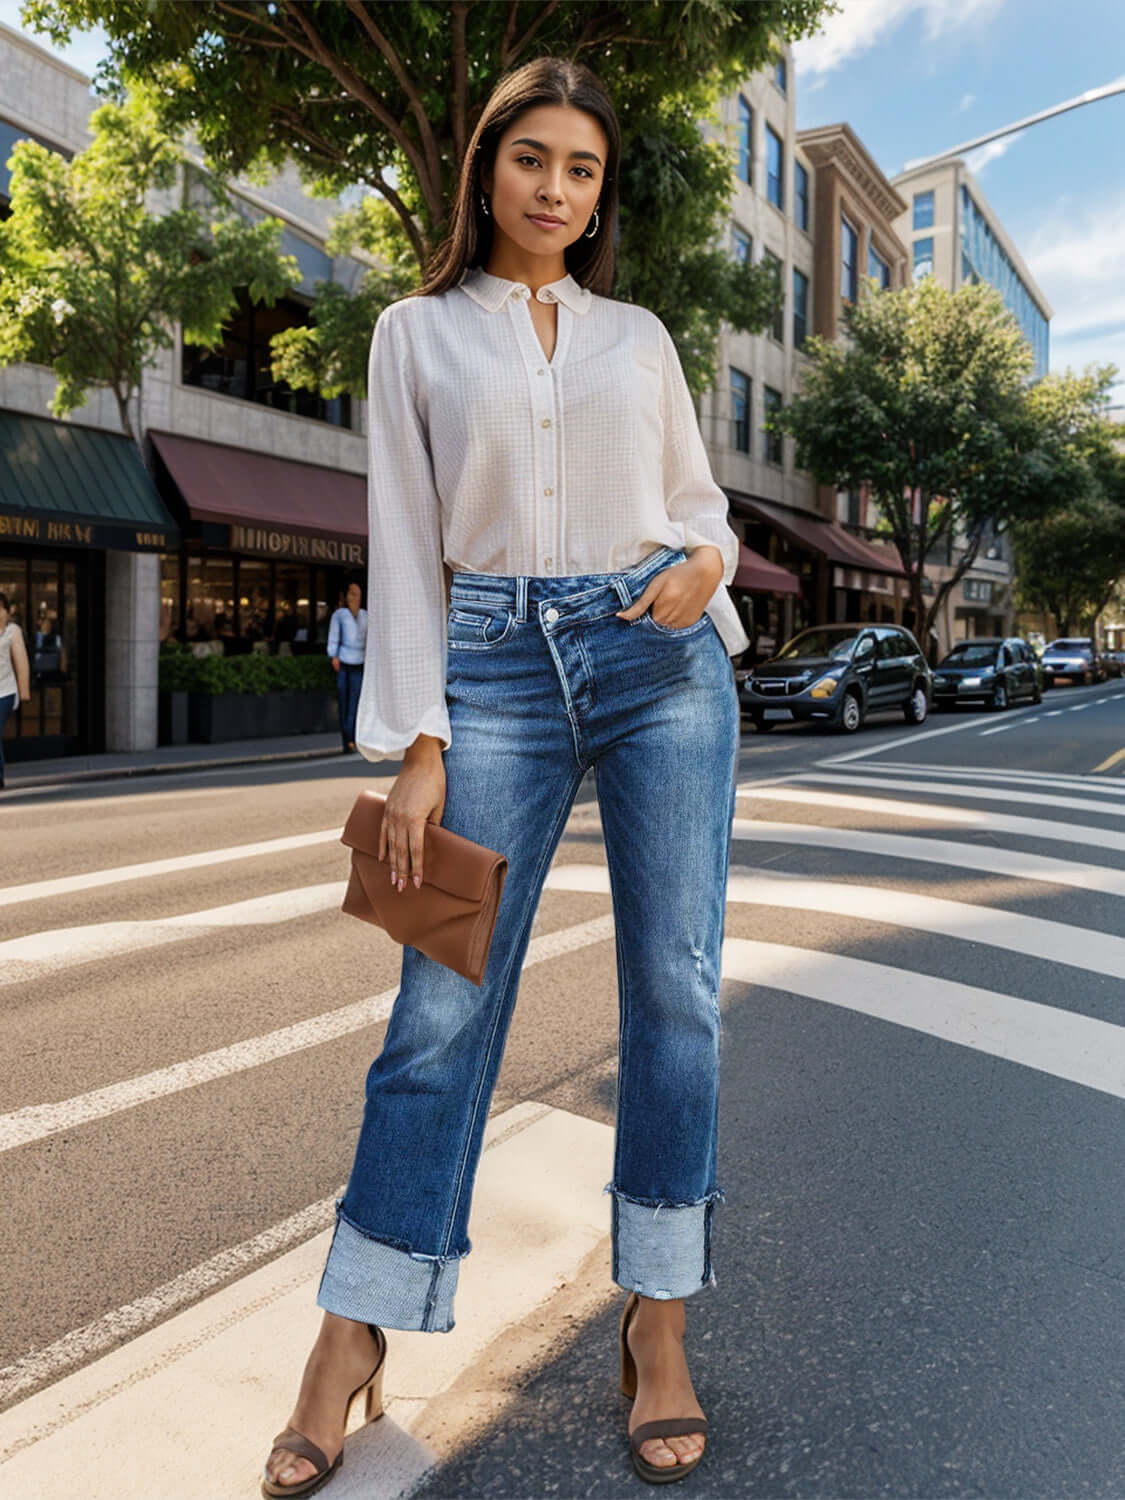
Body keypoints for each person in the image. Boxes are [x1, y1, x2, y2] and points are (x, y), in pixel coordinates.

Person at [260, 55, 751, 1498]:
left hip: (659, 660)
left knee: (675, 991)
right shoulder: (414, 336)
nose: (555, 188)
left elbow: (699, 504)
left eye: (581, 168)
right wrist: (418, 742)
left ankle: (656, 1321)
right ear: (486, 170)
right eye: (531, 159)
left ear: (600, 193)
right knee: (437, 1013)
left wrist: (706, 565)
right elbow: (402, 541)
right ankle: (350, 1338)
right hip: (486, 671)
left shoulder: (639, 337)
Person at [326, 582, 367, 752]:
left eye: (356, 594)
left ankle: (354, 736)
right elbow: (334, 636)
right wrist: (333, 655)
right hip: (344, 661)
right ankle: (346, 739)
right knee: (344, 701)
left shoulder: (365, 615)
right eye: (351, 593)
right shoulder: (340, 615)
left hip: (359, 660)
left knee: (355, 702)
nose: (353, 598)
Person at [0, 592, 32, 790]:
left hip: (5, 691)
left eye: (1, 607)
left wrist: (24, 691)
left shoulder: (13, 631)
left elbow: (22, 663)